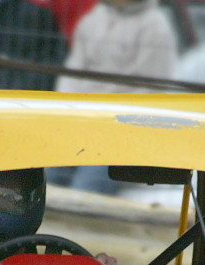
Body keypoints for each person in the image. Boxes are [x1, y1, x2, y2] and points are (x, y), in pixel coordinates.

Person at [53, 0, 178, 194]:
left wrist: (99, 116)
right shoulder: (93, 19)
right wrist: (67, 114)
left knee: (86, 189)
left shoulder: (156, 28)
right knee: (46, 179)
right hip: (77, 124)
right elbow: (71, 75)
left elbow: (150, 92)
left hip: (119, 136)